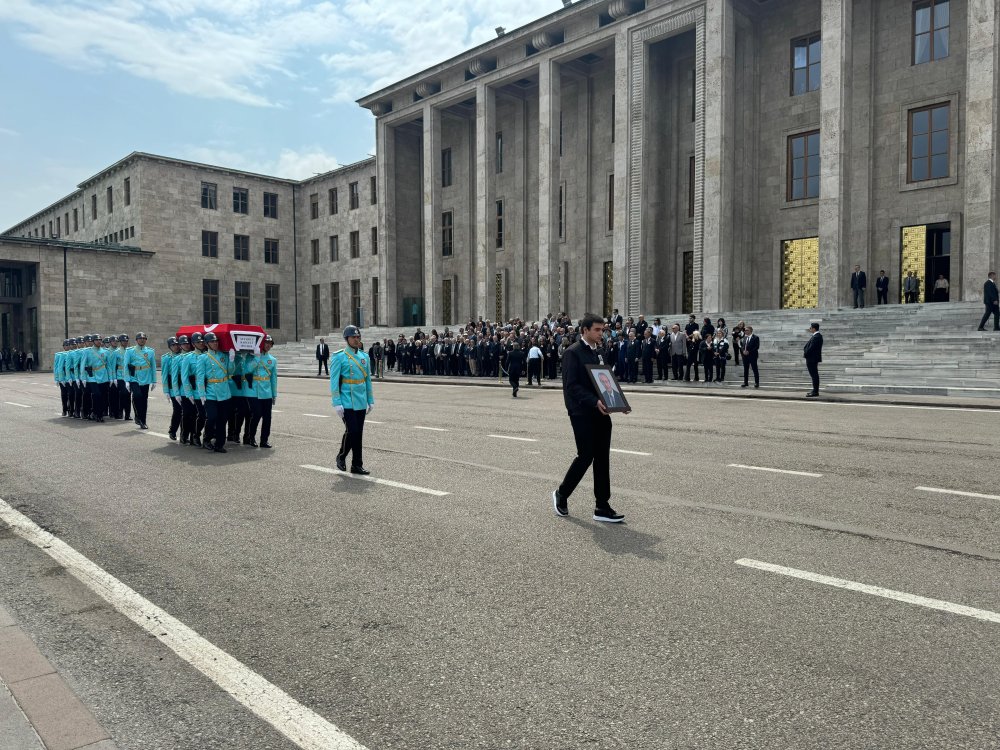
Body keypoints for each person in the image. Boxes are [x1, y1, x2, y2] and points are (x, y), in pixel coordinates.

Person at [552, 312, 628, 523]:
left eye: (602, 329)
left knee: (602, 458)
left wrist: (618, 402)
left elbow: (605, 381)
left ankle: (602, 506)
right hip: (581, 412)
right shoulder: (573, 352)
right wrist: (594, 401)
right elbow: (571, 386)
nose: (601, 333)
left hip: (602, 412)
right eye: (597, 329)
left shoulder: (600, 352)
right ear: (585, 330)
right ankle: (561, 494)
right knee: (585, 456)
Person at [331, 325, 374, 474]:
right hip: (346, 400)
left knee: (358, 432)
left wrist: (370, 399)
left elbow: (367, 380)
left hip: (361, 399)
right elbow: (334, 381)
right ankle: (341, 456)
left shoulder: (364, 357)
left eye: (358, 337)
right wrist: (337, 402)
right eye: (353, 337)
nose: (356, 339)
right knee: (352, 430)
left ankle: (356, 464)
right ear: (347, 339)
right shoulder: (339, 356)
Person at [198, 332, 233, 452]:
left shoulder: (223, 355)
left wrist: (231, 360)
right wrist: (202, 393)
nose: (215, 343)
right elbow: (200, 377)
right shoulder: (203, 358)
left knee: (222, 419)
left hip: (224, 391)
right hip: (211, 392)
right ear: (206, 344)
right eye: (212, 341)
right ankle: (207, 439)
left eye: (216, 341)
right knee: (212, 417)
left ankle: (219, 444)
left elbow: (230, 371)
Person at [246, 335, 278, 448]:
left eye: (270, 344)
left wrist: (274, 394)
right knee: (257, 414)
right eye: (266, 343)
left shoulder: (272, 360)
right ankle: (251, 437)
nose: (268, 345)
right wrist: (257, 358)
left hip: (267, 391)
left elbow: (273, 378)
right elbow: (248, 369)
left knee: (267, 417)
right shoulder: (251, 356)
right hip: (253, 391)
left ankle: (264, 440)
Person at [125, 332, 156, 429]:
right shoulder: (130, 351)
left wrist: (154, 380)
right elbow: (126, 366)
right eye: (140, 338)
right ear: (136, 340)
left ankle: (143, 421)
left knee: (144, 400)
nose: (142, 340)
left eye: (144, 338)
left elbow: (153, 366)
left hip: (146, 378)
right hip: (134, 377)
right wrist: (127, 380)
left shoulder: (150, 351)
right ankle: (138, 415)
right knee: (137, 396)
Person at [79, 334, 111, 422]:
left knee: (103, 396)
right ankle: (97, 414)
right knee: (97, 394)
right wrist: (83, 378)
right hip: (92, 376)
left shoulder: (105, 351)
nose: (99, 341)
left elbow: (108, 366)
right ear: (93, 341)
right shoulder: (87, 351)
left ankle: (98, 413)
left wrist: (111, 378)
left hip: (103, 376)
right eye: (97, 340)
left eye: (100, 340)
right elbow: (83, 365)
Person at [161, 337, 183, 440]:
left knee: (186, 411)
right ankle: (172, 430)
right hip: (173, 386)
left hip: (184, 385)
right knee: (178, 410)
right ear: (169, 347)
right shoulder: (166, 358)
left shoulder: (184, 355)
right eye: (173, 345)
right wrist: (166, 390)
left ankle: (183, 433)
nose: (176, 346)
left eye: (177, 344)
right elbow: (164, 375)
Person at [804, 322, 823, 397]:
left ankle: (815, 391)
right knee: (814, 375)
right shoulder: (816, 336)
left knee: (814, 375)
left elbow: (811, 348)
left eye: (810, 328)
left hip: (812, 358)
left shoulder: (817, 337)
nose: (810, 329)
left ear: (814, 329)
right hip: (812, 358)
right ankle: (814, 390)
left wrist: (806, 353)